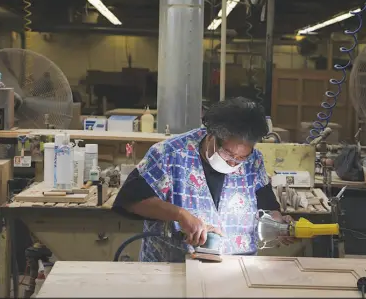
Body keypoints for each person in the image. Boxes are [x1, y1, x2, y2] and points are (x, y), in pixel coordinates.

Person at [113, 97, 294, 262]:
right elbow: (131, 200)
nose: (233, 163)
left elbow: (268, 205)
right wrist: (180, 215)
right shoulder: (170, 154)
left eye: (241, 158)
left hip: (236, 268)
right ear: (212, 136)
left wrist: (277, 225)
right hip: (172, 267)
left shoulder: (254, 160)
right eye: (228, 154)